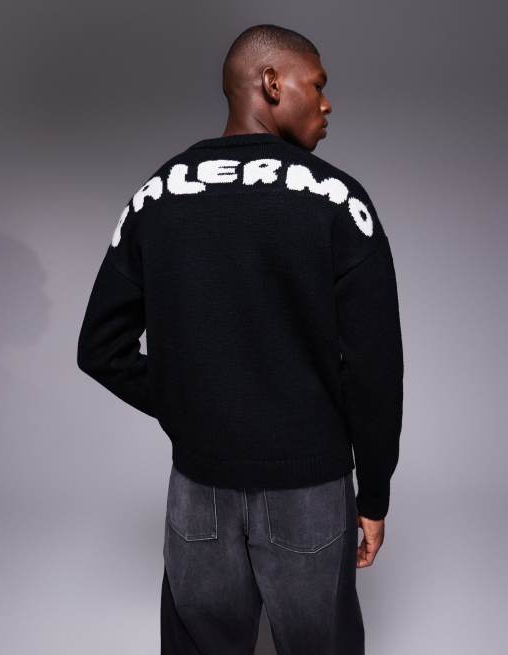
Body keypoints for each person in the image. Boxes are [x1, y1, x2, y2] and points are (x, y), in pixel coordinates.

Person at [77, 23, 404, 655]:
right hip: (309, 493)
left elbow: (100, 347)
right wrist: (374, 493)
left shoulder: (157, 195)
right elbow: (375, 368)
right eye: (317, 85)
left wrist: (187, 406)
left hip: (197, 490)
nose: (327, 103)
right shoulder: (340, 201)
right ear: (272, 83)